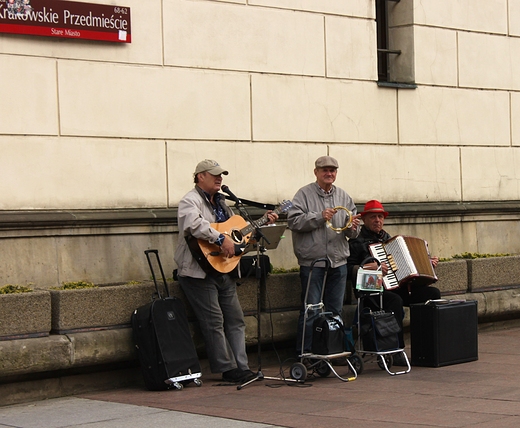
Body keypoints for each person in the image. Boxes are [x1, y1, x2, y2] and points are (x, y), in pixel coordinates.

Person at [174, 159, 278, 383]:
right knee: (214, 321)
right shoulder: (189, 201)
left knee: (236, 319)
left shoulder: (223, 203)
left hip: (223, 268)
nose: (219, 178)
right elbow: (194, 225)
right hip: (198, 272)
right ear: (200, 176)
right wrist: (221, 238)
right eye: (214, 175)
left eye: (221, 175)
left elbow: (237, 234)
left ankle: (242, 365)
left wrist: (258, 229)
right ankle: (227, 368)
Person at [347, 199, 441, 364]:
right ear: (364, 220)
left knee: (432, 294)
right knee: (395, 301)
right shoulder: (356, 241)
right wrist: (368, 268)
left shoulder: (388, 239)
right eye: (373, 217)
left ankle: (426, 345)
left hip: (395, 287)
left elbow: (403, 266)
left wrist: (426, 264)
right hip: (371, 291)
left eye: (380, 217)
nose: (378, 220)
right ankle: (397, 351)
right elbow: (347, 271)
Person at [288, 155, 361, 356]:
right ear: (316, 172)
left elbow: (352, 231)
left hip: (338, 262)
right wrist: (319, 217)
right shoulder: (303, 194)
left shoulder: (344, 197)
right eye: (324, 170)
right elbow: (293, 222)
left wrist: (353, 227)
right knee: (311, 309)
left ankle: (332, 349)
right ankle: (306, 352)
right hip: (313, 262)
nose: (329, 174)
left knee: (335, 311)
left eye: (332, 170)